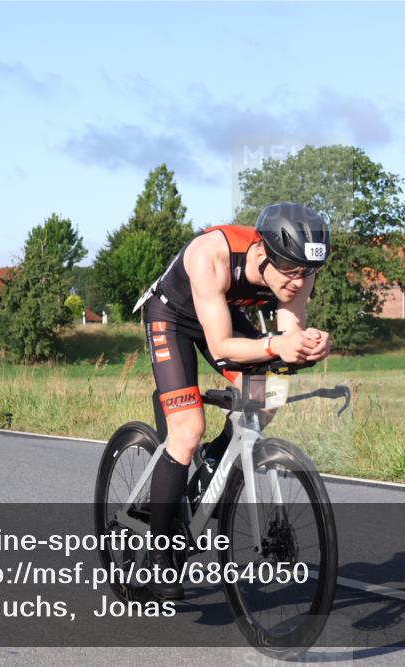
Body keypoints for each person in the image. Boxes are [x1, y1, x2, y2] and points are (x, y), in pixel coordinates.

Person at [133, 202, 332, 600]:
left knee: (268, 398)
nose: (298, 282)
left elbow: (287, 334)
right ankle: (159, 555)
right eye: (290, 271)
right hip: (172, 317)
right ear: (261, 253)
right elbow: (222, 346)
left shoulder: (298, 272)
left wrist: (308, 346)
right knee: (187, 431)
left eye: (306, 273)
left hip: (220, 314)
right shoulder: (211, 255)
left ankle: (213, 463)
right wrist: (277, 344)